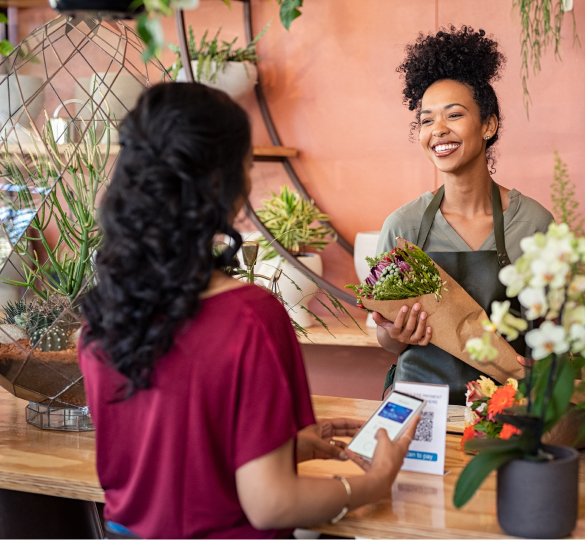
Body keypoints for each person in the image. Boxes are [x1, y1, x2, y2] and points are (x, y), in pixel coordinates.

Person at [79, 83, 418, 539]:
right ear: (223, 186)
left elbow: (171, 454)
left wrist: (285, 447)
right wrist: (373, 482)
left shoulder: (104, 315)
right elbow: (270, 505)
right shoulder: (249, 318)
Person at [375, 26, 554, 405]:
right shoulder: (403, 227)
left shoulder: (534, 224)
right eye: (426, 120)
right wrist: (397, 332)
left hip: (505, 414)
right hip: (420, 410)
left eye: (453, 115)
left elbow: (553, 335)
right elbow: (386, 341)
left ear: (488, 125)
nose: (438, 130)